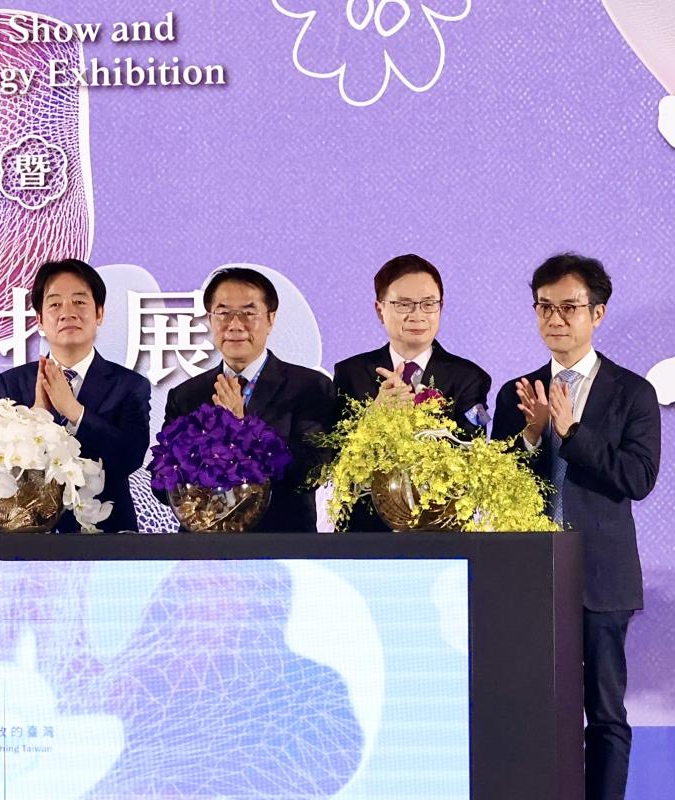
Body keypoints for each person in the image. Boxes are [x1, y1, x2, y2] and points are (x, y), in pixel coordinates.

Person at [490, 253, 660, 800]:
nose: (555, 319)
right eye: (544, 307)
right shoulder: (516, 392)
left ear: (597, 313)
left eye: (569, 307)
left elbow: (638, 478)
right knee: (533, 710)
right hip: (531, 576)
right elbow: (499, 485)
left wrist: (572, 432)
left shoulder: (632, 392)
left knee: (605, 714)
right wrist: (533, 436)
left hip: (602, 578)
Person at [161, 267, 333, 532]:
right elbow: (162, 486)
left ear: (271, 319)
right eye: (223, 313)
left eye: (248, 313)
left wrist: (241, 425)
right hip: (204, 547)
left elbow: (310, 472)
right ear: (209, 319)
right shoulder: (186, 395)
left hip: (283, 542)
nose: (235, 324)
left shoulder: (310, 386)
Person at [333, 253, 491, 531]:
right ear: (380, 309)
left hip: (440, 530)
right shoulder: (351, 373)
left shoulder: (469, 377)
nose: (417, 315)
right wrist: (374, 417)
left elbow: (471, 450)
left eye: (428, 304)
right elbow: (335, 453)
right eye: (404, 304)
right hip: (367, 531)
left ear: (441, 307)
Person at [0, 259, 151, 532]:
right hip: (30, 535)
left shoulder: (129, 385)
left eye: (79, 302)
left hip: (108, 534)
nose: (67, 312)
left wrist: (75, 412)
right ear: (40, 319)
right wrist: (38, 416)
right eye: (55, 304)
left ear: (99, 313)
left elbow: (130, 457)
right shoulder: (11, 384)